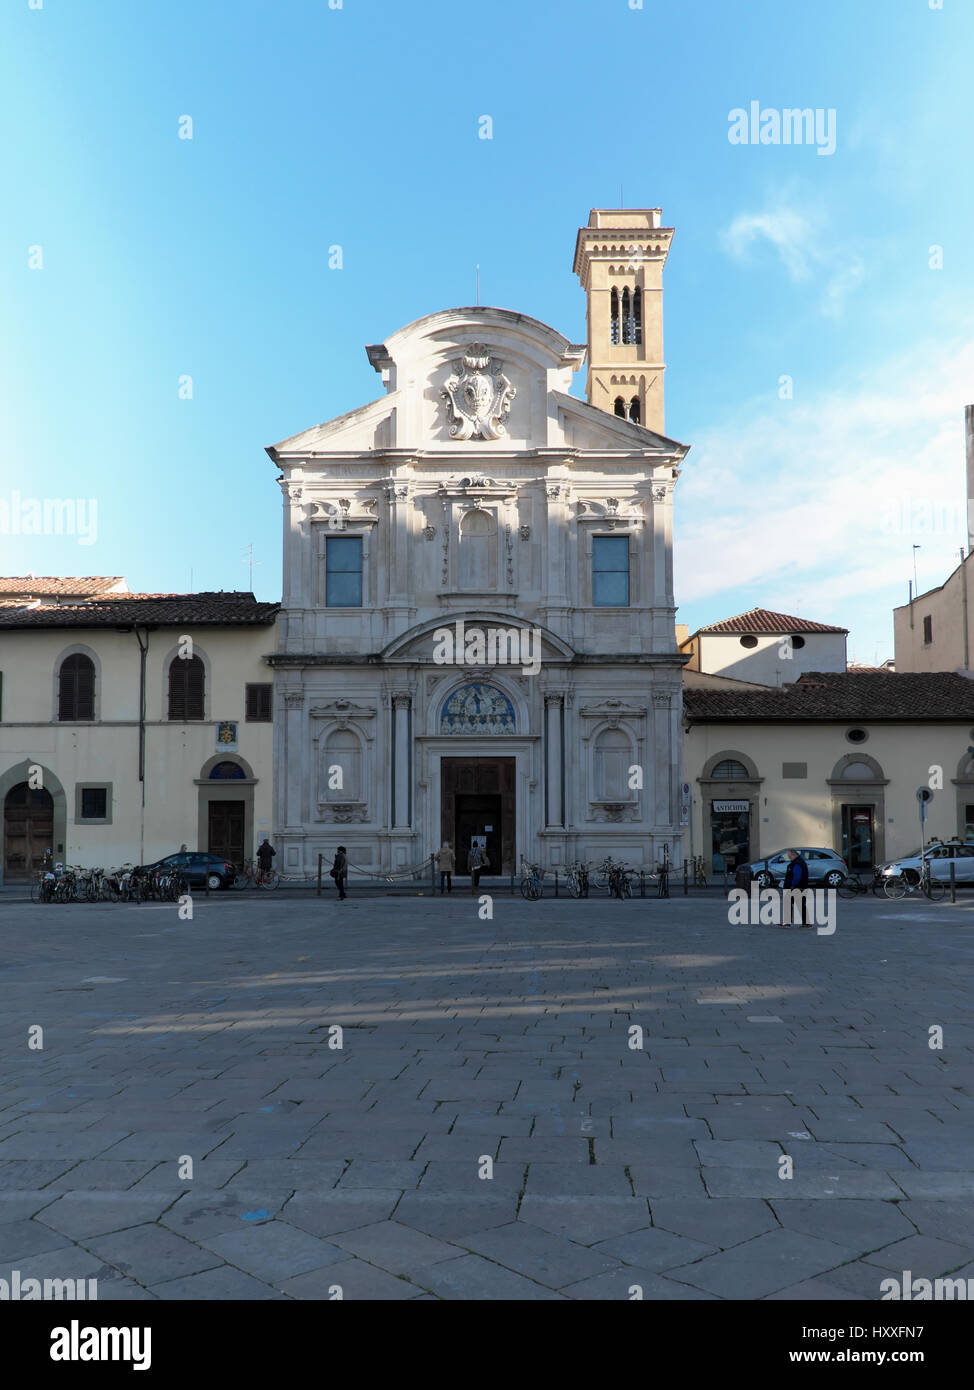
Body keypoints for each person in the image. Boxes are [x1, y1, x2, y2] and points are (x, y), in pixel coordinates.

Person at [782, 848, 811, 927]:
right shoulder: (800, 862)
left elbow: (797, 877)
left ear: (794, 854)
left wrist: (792, 886)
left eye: (789, 855)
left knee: (789, 903)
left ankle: (787, 922)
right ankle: (806, 923)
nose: (789, 857)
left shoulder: (797, 863)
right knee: (800, 905)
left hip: (796, 888)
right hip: (801, 887)